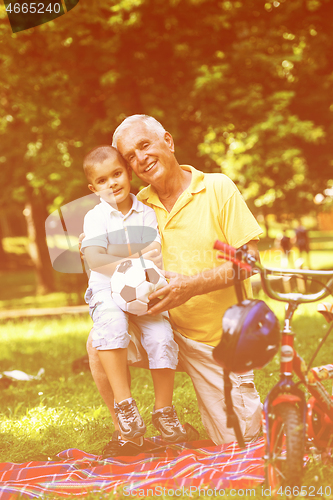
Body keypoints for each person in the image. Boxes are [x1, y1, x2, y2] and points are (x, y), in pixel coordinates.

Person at [86, 115, 263, 449]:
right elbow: (102, 238)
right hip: (162, 326)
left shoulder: (217, 187)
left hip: (217, 344)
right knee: (100, 340)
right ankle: (128, 434)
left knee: (242, 443)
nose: (140, 158)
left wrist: (191, 286)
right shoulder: (139, 204)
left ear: (167, 141)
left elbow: (250, 260)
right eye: (130, 156)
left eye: (144, 145)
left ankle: (197, 424)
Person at [81, 145, 186, 445]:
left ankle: (164, 409)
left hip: (145, 286)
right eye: (102, 181)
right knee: (111, 325)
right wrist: (130, 257)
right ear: (93, 188)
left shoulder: (147, 213)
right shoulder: (95, 217)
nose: (112, 183)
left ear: (128, 173)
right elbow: (94, 260)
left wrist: (110, 253)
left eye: (116, 174)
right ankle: (124, 403)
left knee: (162, 335)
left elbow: (152, 253)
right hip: (105, 287)